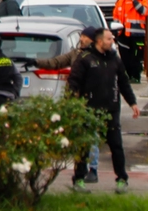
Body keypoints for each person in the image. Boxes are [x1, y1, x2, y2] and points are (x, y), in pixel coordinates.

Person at [68, 28, 140, 195]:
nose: (112, 41)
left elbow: (123, 82)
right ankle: (79, 178)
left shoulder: (115, 59)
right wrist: (72, 104)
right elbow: (73, 82)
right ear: (99, 41)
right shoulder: (85, 59)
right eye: (109, 39)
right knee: (84, 145)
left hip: (111, 109)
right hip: (89, 109)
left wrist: (132, 102)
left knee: (116, 145)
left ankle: (122, 179)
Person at [32, 26, 101, 182]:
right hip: (74, 102)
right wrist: (37, 62)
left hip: (91, 101)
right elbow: (57, 62)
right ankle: (80, 172)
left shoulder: (98, 56)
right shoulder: (75, 54)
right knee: (77, 139)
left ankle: (93, 169)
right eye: (81, 36)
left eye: (85, 37)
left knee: (91, 137)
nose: (81, 39)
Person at [112, 0, 148, 82]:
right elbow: (115, 16)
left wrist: (134, 1)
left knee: (136, 58)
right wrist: (115, 31)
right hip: (123, 35)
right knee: (125, 58)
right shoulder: (120, 1)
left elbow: (144, 12)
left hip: (137, 34)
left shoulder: (141, 0)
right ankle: (128, 76)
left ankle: (136, 77)